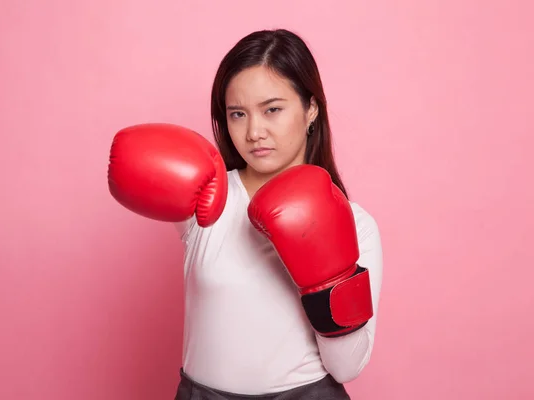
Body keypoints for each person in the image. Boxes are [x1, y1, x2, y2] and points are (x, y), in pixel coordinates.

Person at [107, 28, 383, 400]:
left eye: (272, 109)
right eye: (238, 114)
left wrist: (328, 277)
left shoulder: (356, 224)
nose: (254, 132)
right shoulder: (205, 198)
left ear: (311, 108)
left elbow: (346, 367)